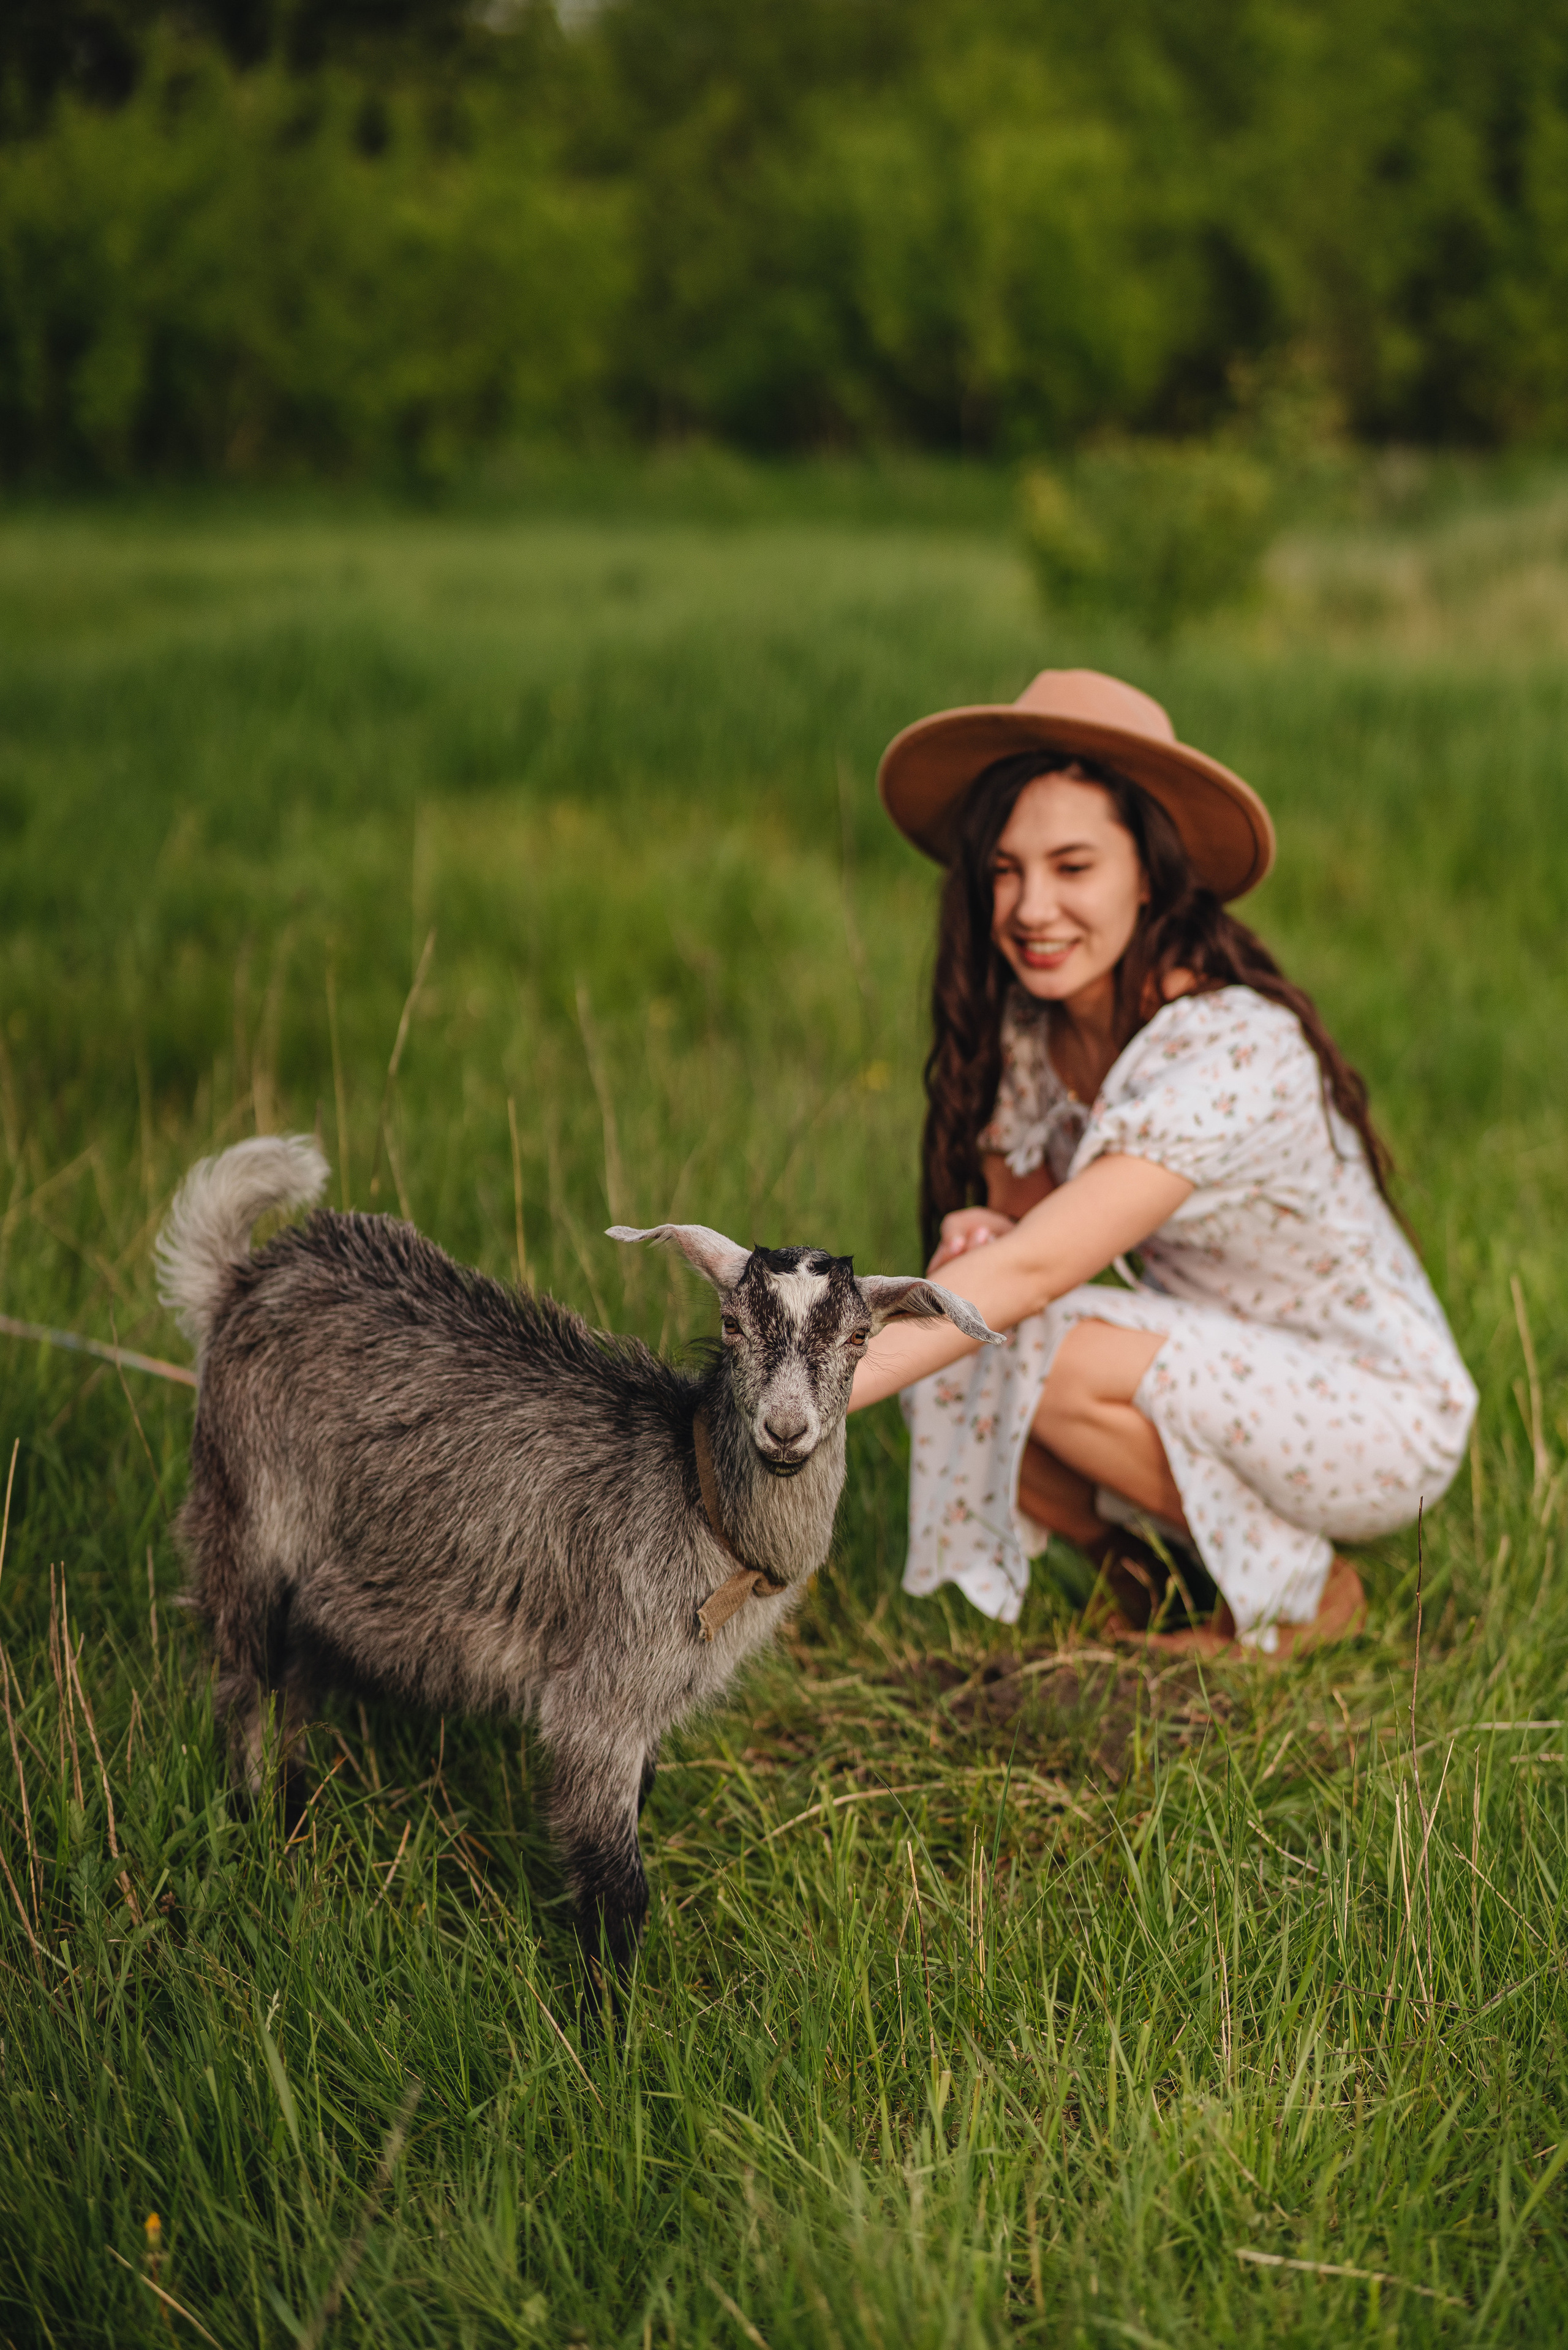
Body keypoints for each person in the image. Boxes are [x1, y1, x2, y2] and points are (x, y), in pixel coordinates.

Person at [848, 669, 1477, 1655]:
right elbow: (1023, 1239)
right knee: (961, 1316)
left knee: (1002, 1332)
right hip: (1220, 1367)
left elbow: (1036, 1277)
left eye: (1072, 866)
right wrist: (985, 1233)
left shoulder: (1228, 1046)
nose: (1029, 906)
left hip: (1378, 1411)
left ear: (1148, 872)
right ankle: (1151, 1579)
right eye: (1006, 869)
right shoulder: (1032, 1029)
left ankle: (1304, 1591)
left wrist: (799, 1389)